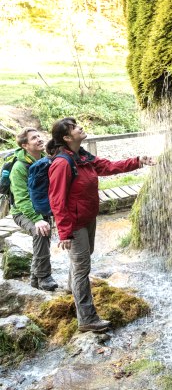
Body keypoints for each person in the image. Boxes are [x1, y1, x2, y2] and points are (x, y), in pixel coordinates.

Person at [46, 117, 155, 333]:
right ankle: (87, 318)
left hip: (88, 217)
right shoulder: (62, 163)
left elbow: (108, 166)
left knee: (84, 259)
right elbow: (56, 200)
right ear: (67, 137)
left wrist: (138, 160)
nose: (81, 127)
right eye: (76, 127)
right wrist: (65, 233)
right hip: (75, 223)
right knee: (81, 268)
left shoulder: (82, 156)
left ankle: (72, 289)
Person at [9, 128, 58, 291]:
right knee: (41, 232)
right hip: (22, 212)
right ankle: (44, 277)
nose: (39, 139)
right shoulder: (19, 167)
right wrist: (37, 219)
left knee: (44, 236)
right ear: (25, 145)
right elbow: (21, 199)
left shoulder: (46, 159)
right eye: (34, 138)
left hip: (42, 208)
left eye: (39, 136)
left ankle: (34, 280)